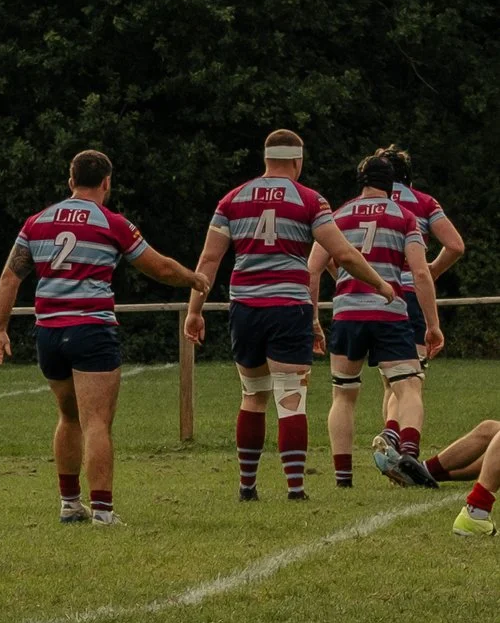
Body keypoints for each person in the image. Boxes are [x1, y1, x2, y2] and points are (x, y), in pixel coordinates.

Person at [0, 150, 206, 524]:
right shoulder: (111, 222)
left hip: (49, 333)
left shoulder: (36, 222)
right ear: (106, 182)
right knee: (97, 422)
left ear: (70, 181)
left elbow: (11, 277)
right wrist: (193, 278)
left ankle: (70, 504)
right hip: (91, 329)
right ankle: (102, 510)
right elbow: (158, 267)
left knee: (67, 416)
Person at [183, 129, 388, 497]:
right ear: (297, 161)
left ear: (266, 158)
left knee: (252, 394)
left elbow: (209, 261)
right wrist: (380, 284)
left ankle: (247, 486)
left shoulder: (232, 199)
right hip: (288, 306)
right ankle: (295, 487)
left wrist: (194, 311)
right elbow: (343, 254)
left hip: (245, 306)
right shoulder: (310, 200)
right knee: (291, 395)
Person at [308, 152, 442, 487]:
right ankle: (408, 452)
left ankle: (343, 478)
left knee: (343, 394)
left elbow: (312, 268)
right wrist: (432, 325)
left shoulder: (336, 216)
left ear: (361, 181)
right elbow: (421, 274)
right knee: (408, 386)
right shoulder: (405, 216)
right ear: (392, 184)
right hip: (390, 312)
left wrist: (313, 318)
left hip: (347, 313)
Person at [379, 146, 467, 444]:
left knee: (391, 382)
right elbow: (455, 245)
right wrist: (433, 270)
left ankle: (390, 436)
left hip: (377, 296)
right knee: (409, 380)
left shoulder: (365, 203)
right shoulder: (423, 202)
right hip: (412, 295)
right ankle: (397, 441)